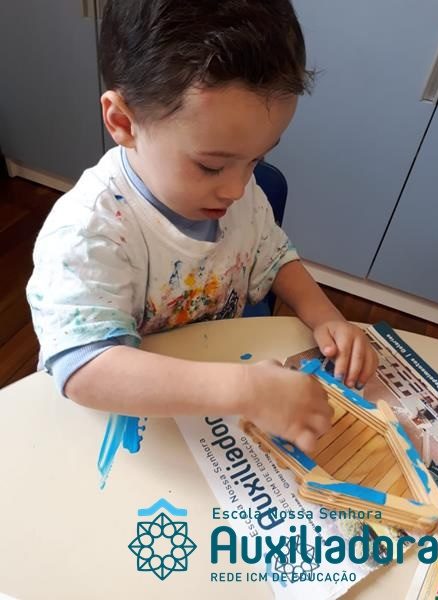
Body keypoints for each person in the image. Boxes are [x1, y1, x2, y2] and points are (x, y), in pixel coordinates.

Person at [26, 0, 378, 454]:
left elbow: (272, 257)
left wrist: (327, 316)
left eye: (257, 159)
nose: (237, 188)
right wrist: (245, 389)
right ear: (123, 121)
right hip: (127, 433)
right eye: (211, 166)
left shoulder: (238, 192)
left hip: (210, 413)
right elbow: (84, 369)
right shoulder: (88, 232)